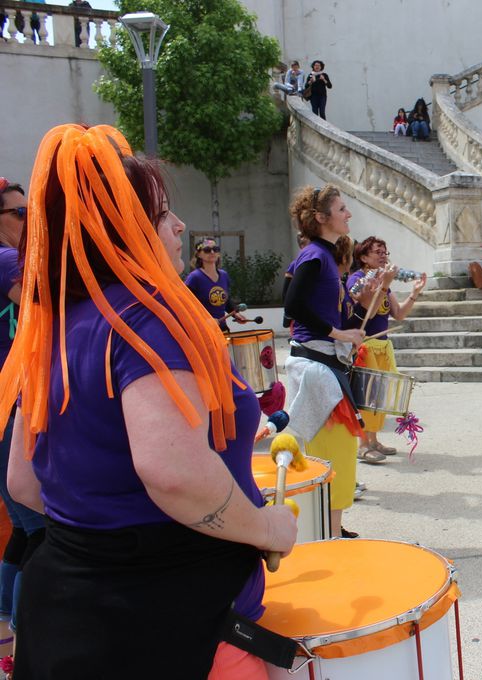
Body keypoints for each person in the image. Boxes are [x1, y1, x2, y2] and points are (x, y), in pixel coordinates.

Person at [0, 124, 297, 678]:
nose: (181, 226)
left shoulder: (52, 327)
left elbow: (24, 483)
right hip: (171, 626)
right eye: (163, 215)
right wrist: (266, 528)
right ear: (122, 230)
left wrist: (103, 530)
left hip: (64, 612)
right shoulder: (148, 318)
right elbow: (173, 473)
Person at [283, 185, 368, 538]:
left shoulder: (321, 256)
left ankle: (331, 531)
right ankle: (327, 538)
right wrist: (339, 334)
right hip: (317, 366)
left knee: (339, 454)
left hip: (323, 363)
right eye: (342, 208)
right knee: (335, 455)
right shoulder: (316, 256)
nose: (348, 214)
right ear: (321, 218)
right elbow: (292, 306)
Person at [0, 178, 46, 646]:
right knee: (39, 530)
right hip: (9, 407)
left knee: (24, 527)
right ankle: (20, 633)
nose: (27, 219)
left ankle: (6, 628)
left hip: (10, 405)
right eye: (18, 214)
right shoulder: (6, 260)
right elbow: (43, 307)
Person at [347, 237, 426, 461]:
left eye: (385, 252)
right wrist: (384, 285)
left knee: (379, 397)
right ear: (363, 257)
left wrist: (414, 292)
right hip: (365, 346)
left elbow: (398, 314)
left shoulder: (384, 279)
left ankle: (373, 440)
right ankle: (362, 444)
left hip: (382, 346)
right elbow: (369, 313)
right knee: (365, 396)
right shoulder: (358, 279)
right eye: (377, 252)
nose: (383, 256)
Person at [185, 238, 249, 331]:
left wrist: (235, 313)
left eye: (215, 249)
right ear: (199, 254)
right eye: (207, 250)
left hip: (222, 329)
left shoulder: (224, 275)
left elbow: (225, 300)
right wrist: (205, 320)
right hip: (203, 331)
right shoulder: (194, 277)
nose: (212, 252)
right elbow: (187, 305)